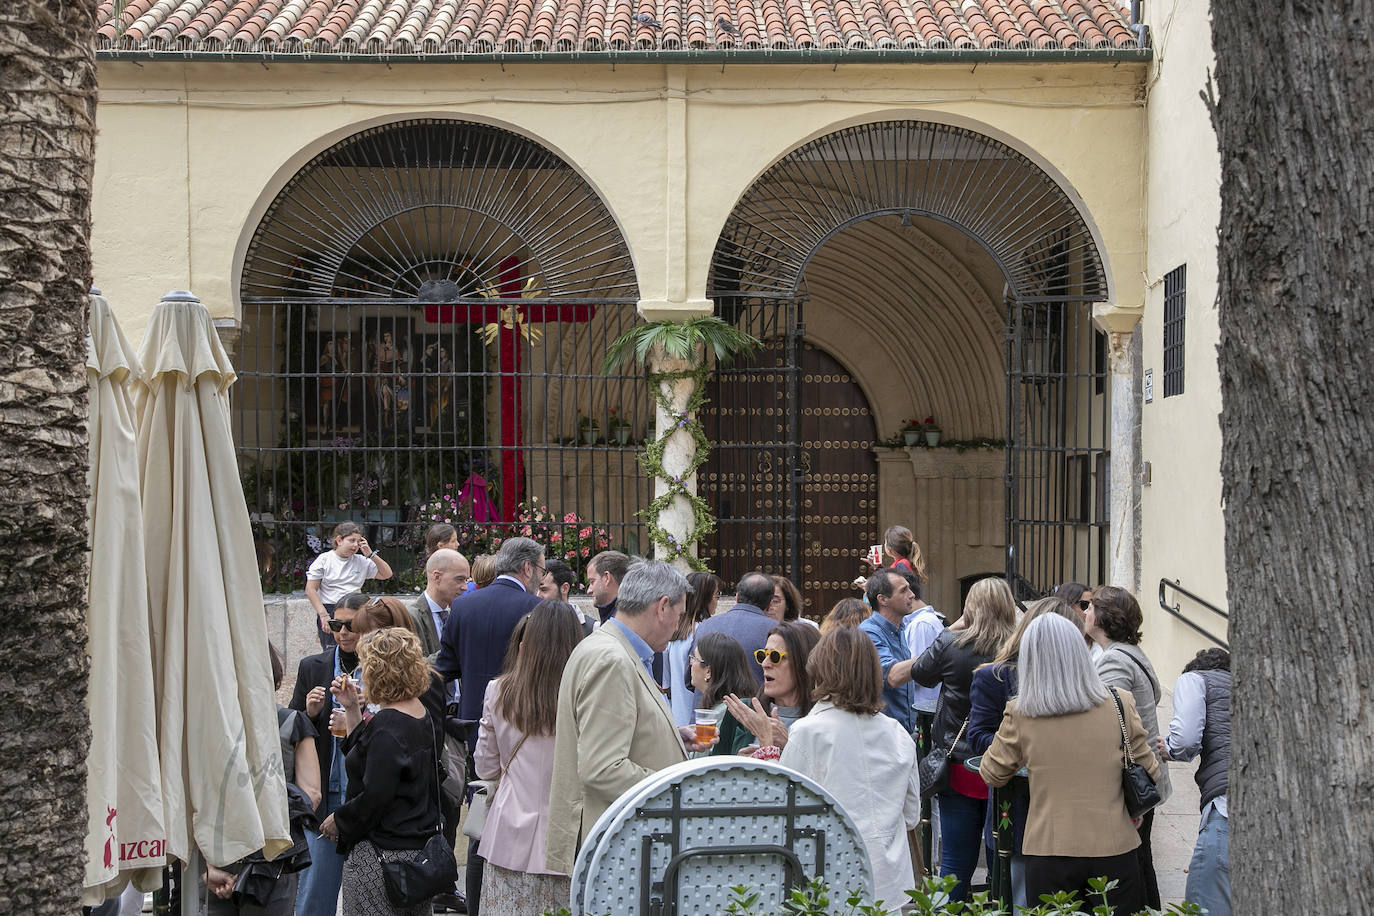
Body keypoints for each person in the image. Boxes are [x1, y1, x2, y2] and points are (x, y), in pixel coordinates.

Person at [980, 614, 1158, 916]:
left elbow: (992, 772)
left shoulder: (1022, 712)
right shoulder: (1120, 702)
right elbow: (1149, 769)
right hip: (1114, 846)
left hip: (1049, 852)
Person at [546, 561, 710, 874]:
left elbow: (611, 730)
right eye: (680, 614)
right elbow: (603, 768)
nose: (679, 627)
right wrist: (679, 785)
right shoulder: (612, 659)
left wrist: (671, 733)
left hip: (621, 838)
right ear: (662, 607)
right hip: (617, 846)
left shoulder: (609, 647)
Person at [436, 537, 544, 914]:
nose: (540, 576)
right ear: (528, 568)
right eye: (541, 570)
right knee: (514, 823)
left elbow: (442, 670)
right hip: (525, 728)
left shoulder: (463, 606)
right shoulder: (537, 609)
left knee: (480, 822)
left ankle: (479, 903)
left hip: (471, 731)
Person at [781, 628, 922, 911]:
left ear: (820, 669)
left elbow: (785, 813)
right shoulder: (897, 733)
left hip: (830, 880)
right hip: (890, 882)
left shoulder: (808, 732)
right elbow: (911, 815)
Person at [966, 595, 1083, 908]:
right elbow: (977, 735)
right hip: (1017, 807)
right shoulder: (994, 676)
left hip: (1072, 809)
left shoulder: (1083, 682)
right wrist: (1020, 747)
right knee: (1020, 897)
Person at [352, 597, 467, 914]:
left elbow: (414, 757)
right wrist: (353, 711)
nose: (361, 642)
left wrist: (344, 822)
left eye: (368, 634)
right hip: (398, 829)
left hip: (396, 833)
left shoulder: (403, 710)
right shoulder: (387, 707)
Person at [319, 628, 444, 916]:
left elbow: (375, 794)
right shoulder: (417, 713)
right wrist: (352, 709)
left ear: (377, 670)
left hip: (382, 858)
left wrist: (338, 819)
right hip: (416, 855)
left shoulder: (388, 725)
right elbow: (365, 755)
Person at [474, 600, 586, 914]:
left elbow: (484, 765)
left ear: (527, 643)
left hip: (508, 832)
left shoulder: (498, 691)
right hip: (568, 835)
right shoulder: (584, 694)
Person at [912, 576, 1016, 902]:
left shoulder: (952, 645)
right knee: (1005, 856)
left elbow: (921, 672)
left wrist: (952, 627)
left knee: (956, 860)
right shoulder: (1018, 648)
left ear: (970, 608)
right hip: (1007, 763)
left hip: (959, 763)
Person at [205, 644, 320, 915]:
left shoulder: (210, 725)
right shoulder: (292, 722)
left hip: (228, 855)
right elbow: (310, 796)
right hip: (269, 856)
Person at [1087, 585, 1172, 909]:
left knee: (1131, 866)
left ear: (1105, 619)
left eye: (1091, 607)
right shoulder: (1128, 653)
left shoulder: (1115, 662)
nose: (1086, 613)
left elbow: (1108, 722)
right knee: (1139, 859)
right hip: (1144, 774)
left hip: (1130, 777)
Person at [290, 591, 368, 916]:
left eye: (351, 625)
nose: (343, 632)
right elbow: (289, 729)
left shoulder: (381, 671)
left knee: (367, 897)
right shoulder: (313, 666)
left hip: (366, 796)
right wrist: (309, 713)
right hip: (324, 793)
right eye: (336, 624)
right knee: (314, 895)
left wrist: (363, 713)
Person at [1157, 648, 1231, 916]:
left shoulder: (1195, 679)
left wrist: (1169, 748)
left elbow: (1185, 740)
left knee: (1203, 907)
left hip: (1224, 812)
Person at [722, 620, 822, 753]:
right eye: (763, 655)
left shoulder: (823, 722)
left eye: (775, 657)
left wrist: (788, 745)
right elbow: (715, 767)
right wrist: (739, 766)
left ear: (803, 663)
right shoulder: (742, 712)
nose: (764, 664)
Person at [305, 521, 393, 650]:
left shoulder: (361, 561)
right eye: (351, 540)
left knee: (361, 648)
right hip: (331, 609)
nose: (355, 545)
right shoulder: (324, 560)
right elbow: (311, 589)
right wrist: (323, 615)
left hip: (357, 609)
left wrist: (370, 554)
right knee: (332, 650)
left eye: (358, 541)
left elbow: (386, 574)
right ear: (339, 540)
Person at [858, 570, 918, 733]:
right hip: (881, 740)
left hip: (903, 734)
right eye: (904, 590)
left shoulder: (899, 628)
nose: (912, 595)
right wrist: (940, 648)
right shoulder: (869, 633)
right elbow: (893, 676)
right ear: (883, 599)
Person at [692, 571, 776, 683]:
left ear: (736, 597)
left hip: (708, 699)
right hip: (752, 700)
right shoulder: (775, 632)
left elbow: (690, 678)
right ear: (770, 604)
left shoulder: (706, 626)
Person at [688, 632, 758, 755]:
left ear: (708, 671)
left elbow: (703, 762)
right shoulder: (726, 707)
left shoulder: (722, 713)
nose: (691, 664)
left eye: (694, 658)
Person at [664, 572, 720, 726]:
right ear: (705, 598)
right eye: (716, 596)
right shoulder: (705, 632)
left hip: (677, 718)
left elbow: (666, 684)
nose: (717, 601)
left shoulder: (673, 634)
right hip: (701, 718)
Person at [408, 548, 472, 659]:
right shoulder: (411, 617)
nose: (465, 587)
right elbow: (414, 668)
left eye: (466, 580)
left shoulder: (455, 615)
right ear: (437, 577)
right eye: (459, 579)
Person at [537, 558, 592, 633]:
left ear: (564, 588)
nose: (537, 595)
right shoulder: (530, 624)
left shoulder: (592, 628)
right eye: (536, 590)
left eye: (544, 590)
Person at [585, 549, 631, 623]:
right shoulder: (631, 614)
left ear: (607, 578)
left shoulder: (622, 621)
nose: (589, 591)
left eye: (592, 582)